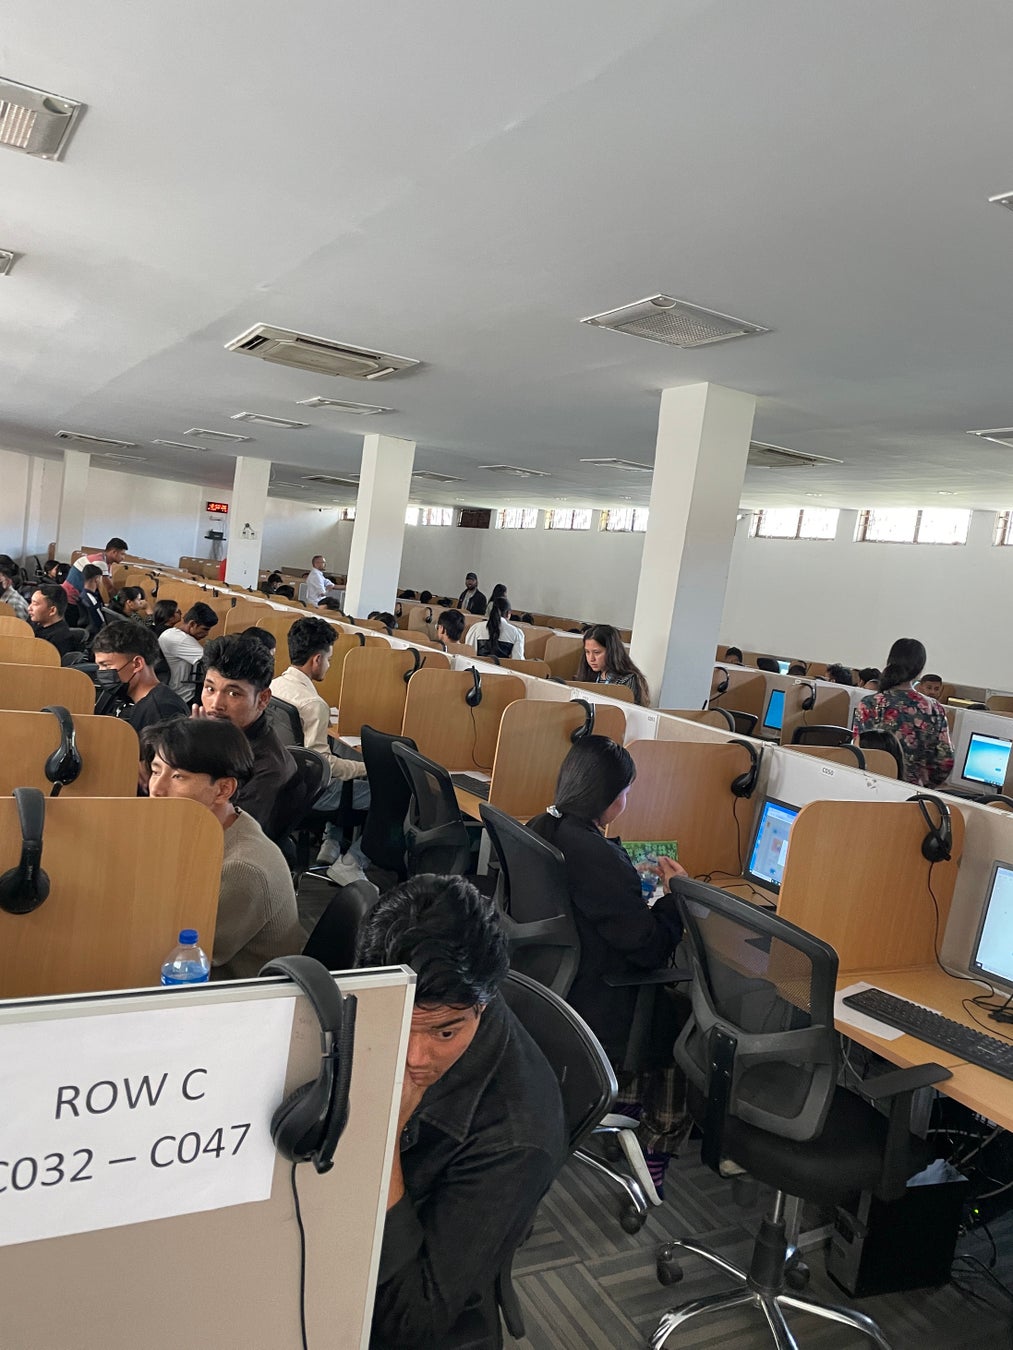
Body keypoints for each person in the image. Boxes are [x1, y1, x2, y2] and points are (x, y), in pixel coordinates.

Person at [355, 874, 565, 1350]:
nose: (415, 1058)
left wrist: (384, 1139)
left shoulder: (517, 1139)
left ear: (483, 1005)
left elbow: (410, 1324)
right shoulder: (402, 990)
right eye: (400, 1024)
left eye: (445, 1032)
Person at [528, 736, 689, 1195]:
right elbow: (649, 949)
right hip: (597, 998)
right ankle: (656, 1147)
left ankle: (625, 1104)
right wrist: (675, 898)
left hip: (548, 988)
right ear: (611, 798)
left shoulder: (544, 824)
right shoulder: (596, 855)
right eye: (627, 791)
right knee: (683, 1018)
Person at [144, 719, 305, 980]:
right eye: (155, 771)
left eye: (177, 776)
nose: (157, 789)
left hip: (229, 994)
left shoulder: (243, 869)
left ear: (223, 789)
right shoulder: (222, 823)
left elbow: (176, 956)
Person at [269, 617, 370, 883]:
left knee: (344, 757)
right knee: (385, 794)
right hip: (309, 794)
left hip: (279, 782)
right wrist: (367, 768)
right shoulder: (313, 704)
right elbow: (324, 764)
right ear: (316, 659)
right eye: (329, 659)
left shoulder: (275, 686)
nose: (329, 665)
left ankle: (331, 843)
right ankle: (352, 862)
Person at [199, 634, 301, 842]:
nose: (215, 704)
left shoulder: (268, 767)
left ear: (263, 699)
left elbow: (227, 835)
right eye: (210, 689)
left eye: (233, 694)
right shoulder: (219, 738)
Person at [852, 638, 954, 788]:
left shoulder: (870, 704)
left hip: (872, 786)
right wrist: (923, 784)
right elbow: (945, 761)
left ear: (890, 662)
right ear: (920, 669)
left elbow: (857, 752)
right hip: (914, 792)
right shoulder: (934, 708)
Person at [93, 620, 189, 736]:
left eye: (106, 665)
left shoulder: (161, 711)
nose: (101, 672)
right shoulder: (143, 702)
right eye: (99, 666)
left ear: (137, 664)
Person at [576, 624, 650, 705]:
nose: (591, 658)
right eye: (587, 652)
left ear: (611, 652)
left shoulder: (627, 680)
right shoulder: (589, 675)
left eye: (597, 652)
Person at [159, 601, 218, 702]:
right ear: (192, 624)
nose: (206, 634)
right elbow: (212, 659)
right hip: (183, 697)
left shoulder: (171, 633)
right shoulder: (181, 639)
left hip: (173, 693)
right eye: (205, 629)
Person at [65, 537, 128, 602]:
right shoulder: (100, 562)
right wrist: (118, 601)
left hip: (78, 596)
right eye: (122, 554)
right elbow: (109, 588)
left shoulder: (107, 562)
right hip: (71, 597)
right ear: (114, 552)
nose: (123, 558)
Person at [28, 584, 78, 657]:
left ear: (52, 611)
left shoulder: (61, 639)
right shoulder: (34, 623)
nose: (29, 608)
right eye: (31, 602)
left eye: (35, 604)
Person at [76, 564, 109, 639]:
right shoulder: (92, 600)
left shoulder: (83, 595)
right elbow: (102, 621)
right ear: (97, 579)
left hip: (87, 630)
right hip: (96, 636)